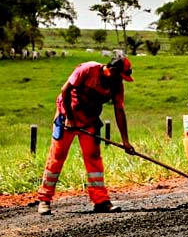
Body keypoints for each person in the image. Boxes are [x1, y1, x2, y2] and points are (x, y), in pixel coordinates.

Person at [35, 55, 136, 215]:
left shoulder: (116, 85)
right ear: (112, 71)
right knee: (57, 157)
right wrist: (69, 118)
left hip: (89, 120)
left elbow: (119, 110)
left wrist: (126, 141)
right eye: (120, 77)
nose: (121, 81)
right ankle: (44, 199)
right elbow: (65, 90)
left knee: (94, 158)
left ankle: (101, 201)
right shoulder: (87, 69)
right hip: (67, 117)